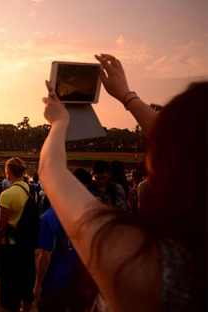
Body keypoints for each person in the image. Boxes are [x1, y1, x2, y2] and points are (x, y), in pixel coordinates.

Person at [37, 53, 206, 311]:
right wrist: (127, 96)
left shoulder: (147, 265)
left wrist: (59, 122)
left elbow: (51, 169)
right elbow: (187, 144)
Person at [33, 168, 92, 312]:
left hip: (55, 281)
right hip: (75, 279)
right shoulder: (85, 213)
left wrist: (38, 284)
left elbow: (45, 256)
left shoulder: (49, 218)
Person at [0, 157, 35, 312]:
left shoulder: (7, 195)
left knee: (10, 285)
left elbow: (1, 226)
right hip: (28, 245)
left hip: (10, 246)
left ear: (8, 171)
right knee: (27, 282)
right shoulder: (33, 191)